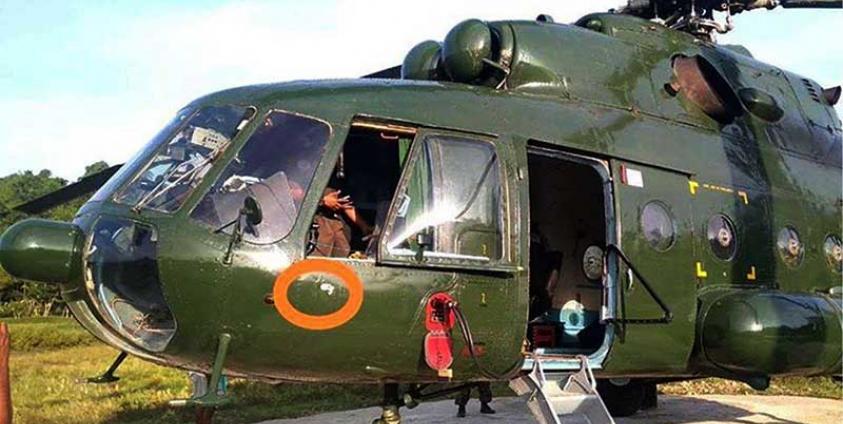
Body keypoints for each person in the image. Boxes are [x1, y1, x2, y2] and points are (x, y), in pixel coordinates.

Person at [311, 187, 372, 257]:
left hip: (335, 223)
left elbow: (346, 203)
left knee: (342, 251)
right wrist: (322, 200)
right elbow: (298, 194)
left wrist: (363, 226)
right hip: (316, 220)